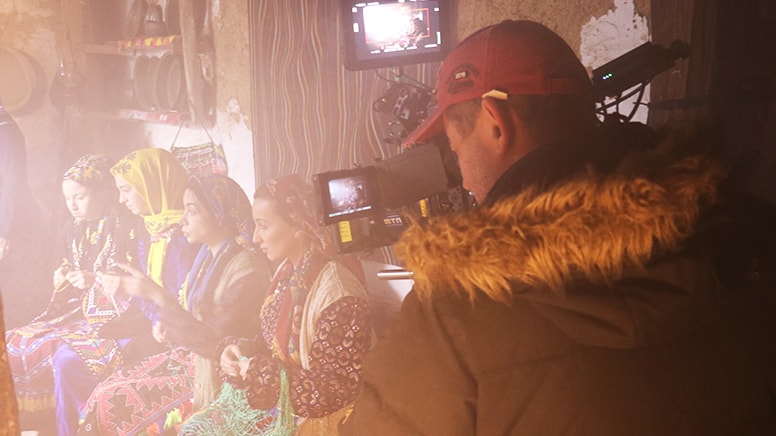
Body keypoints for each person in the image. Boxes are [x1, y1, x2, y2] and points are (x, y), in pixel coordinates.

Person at [341, 20, 776, 435]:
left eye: (456, 151)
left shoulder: (451, 318)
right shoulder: (737, 216)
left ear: (495, 122)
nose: (465, 181)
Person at [78, 173, 271, 435]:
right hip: (195, 361)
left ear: (219, 214)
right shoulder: (207, 256)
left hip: (222, 377)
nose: (183, 220)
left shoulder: (246, 268)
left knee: (112, 402)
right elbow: (193, 314)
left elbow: (216, 341)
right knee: (104, 393)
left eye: (192, 211)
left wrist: (157, 296)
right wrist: (168, 324)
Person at [180, 174, 373, 436]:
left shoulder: (338, 294)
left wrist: (259, 373)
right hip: (290, 411)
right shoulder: (287, 275)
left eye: (263, 226)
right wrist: (240, 352)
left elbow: (336, 390)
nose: (255, 237)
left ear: (298, 226)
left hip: (328, 423)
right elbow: (272, 344)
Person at [52, 148, 198, 436]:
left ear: (151, 185)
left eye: (127, 190)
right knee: (66, 356)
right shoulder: (148, 230)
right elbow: (142, 292)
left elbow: (188, 302)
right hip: (149, 324)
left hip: (176, 337)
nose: (121, 199)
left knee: (85, 371)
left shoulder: (185, 237)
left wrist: (148, 308)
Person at [4, 154, 137, 433]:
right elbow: (64, 263)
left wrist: (94, 280)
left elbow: (136, 282)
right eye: (67, 198)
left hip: (116, 318)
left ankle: (70, 424)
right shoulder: (71, 228)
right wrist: (62, 275)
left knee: (55, 353)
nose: (72, 205)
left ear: (104, 192)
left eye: (80, 197)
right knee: (14, 341)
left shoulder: (127, 226)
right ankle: (32, 422)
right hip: (76, 310)